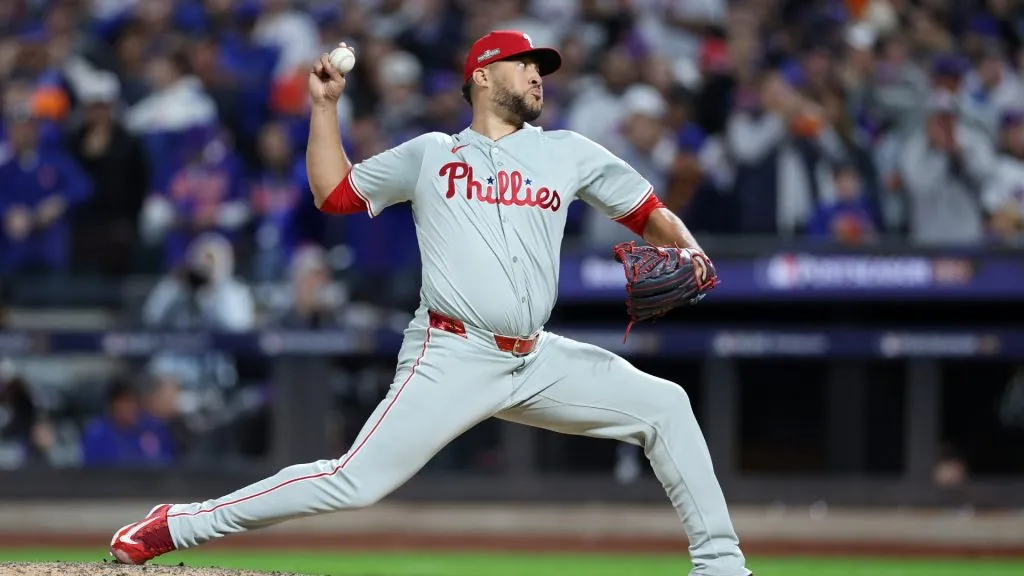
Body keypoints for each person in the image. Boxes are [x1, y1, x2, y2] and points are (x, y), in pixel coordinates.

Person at [110, 31, 752, 576]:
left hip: (536, 358)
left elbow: (649, 214)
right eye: (525, 64)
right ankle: (180, 524)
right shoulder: (432, 155)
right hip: (452, 352)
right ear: (481, 75)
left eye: (542, 68)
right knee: (353, 481)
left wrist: (691, 251)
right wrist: (325, 109)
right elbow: (334, 194)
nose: (537, 76)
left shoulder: (568, 152)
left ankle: (722, 564)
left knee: (666, 405)